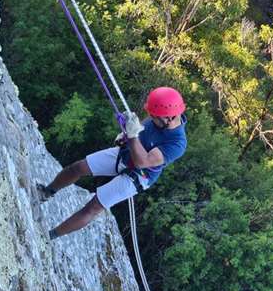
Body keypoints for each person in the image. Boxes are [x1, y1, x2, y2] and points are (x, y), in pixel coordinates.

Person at [38, 87, 187, 240]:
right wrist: (126, 134)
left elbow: (142, 162)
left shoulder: (177, 143)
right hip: (126, 153)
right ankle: (46, 192)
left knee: (94, 206)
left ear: (169, 118)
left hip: (139, 175)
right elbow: (141, 129)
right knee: (78, 168)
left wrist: (133, 135)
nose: (151, 117)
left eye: (154, 116)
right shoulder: (158, 117)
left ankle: (48, 236)